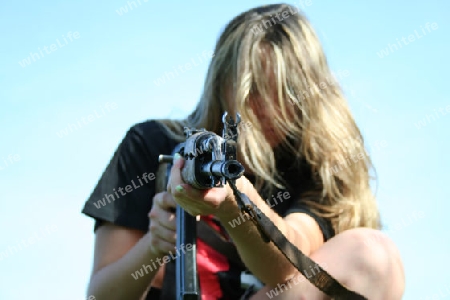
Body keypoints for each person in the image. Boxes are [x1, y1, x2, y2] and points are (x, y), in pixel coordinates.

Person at [81, 3, 405, 299]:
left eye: (284, 92)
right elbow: (102, 294)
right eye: (253, 90)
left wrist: (235, 206)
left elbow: (290, 265)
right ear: (221, 83)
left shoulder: (319, 164)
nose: (266, 108)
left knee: (373, 255)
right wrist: (154, 245)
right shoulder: (150, 143)